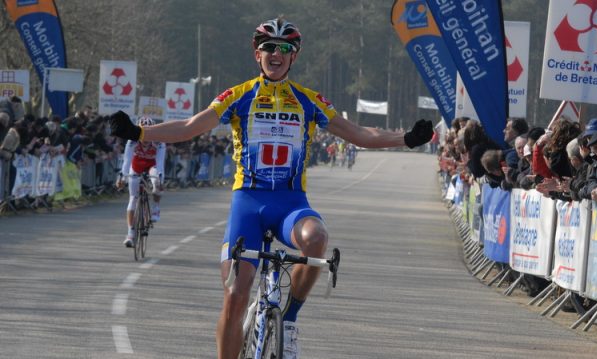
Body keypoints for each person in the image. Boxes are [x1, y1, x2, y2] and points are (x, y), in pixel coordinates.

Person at [109, 17, 433, 359]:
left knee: (317, 240)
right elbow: (191, 126)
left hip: (290, 204)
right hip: (247, 203)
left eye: (285, 48)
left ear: (294, 56)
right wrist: (140, 133)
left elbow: (357, 133)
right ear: (256, 53)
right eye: (268, 47)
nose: (276, 53)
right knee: (235, 295)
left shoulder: (309, 100)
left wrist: (407, 139)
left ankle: (289, 321)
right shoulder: (239, 95)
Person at [116, 116, 166, 248]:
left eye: (148, 132)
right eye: (142, 131)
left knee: (156, 184)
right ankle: (130, 234)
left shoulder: (159, 142)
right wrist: (121, 178)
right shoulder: (132, 140)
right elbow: (126, 162)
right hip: (136, 165)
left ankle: (155, 207)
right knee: (132, 198)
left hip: (153, 166)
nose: (145, 136)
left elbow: (160, 164)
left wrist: (159, 180)